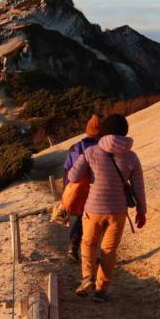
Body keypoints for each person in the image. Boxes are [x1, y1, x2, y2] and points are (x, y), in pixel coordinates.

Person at [67, 114, 146, 303]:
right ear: (125, 132)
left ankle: (88, 278)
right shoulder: (131, 156)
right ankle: (101, 290)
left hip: (93, 208)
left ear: (104, 132)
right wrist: (142, 210)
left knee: (88, 243)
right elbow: (138, 186)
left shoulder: (91, 152)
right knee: (109, 250)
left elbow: (73, 176)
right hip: (118, 211)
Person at [62, 114, 102, 263]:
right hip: (96, 189)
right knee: (95, 222)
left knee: (81, 218)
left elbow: (66, 169)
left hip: (78, 189)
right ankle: (91, 254)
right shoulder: (102, 146)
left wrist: (66, 191)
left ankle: (73, 247)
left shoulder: (75, 147)